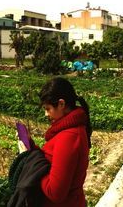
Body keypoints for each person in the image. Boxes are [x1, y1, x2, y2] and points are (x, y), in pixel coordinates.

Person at [37, 77, 92, 206]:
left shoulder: (69, 137)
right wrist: (30, 148)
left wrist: (35, 170)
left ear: (61, 104)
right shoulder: (68, 130)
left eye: (48, 108)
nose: (46, 114)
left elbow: (55, 193)